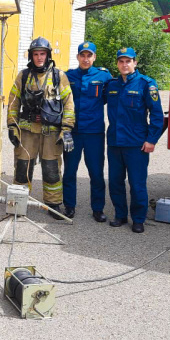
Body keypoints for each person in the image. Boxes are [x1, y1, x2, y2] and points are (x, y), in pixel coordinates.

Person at [6, 37, 75, 218]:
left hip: (51, 133)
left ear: (48, 54)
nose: (39, 58)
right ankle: (18, 204)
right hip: (28, 131)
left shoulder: (59, 76)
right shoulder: (24, 75)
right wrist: (12, 126)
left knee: (52, 169)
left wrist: (66, 129)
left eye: (42, 54)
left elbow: (68, 104)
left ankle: (53, 204)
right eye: (35, 54)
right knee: (22, 168)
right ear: (31, 55)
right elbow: (13, 102)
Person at [104, 47, 165, 233]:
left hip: (136, 144)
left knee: (137, 184)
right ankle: (120, 215)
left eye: (128, 61)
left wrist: (152, 139)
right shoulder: (112, 85)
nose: (124, 64)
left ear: (135, 63)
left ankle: (138, 219)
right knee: (115, 182)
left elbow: (157, 114)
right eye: (121, 61)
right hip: (114, 142)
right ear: (117, 64)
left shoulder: (146, 84)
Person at [63, 41, 113, 222]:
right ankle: (69, 206)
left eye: (89, 55)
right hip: (73, 132)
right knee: (69, 171)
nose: (85, 59)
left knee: (96, 173)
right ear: (77, 57)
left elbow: (109, 98)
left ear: (94, 57)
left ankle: (98, 209)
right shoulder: (68, 76)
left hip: (94, 133)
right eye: (82, 55)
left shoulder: (104, 77)